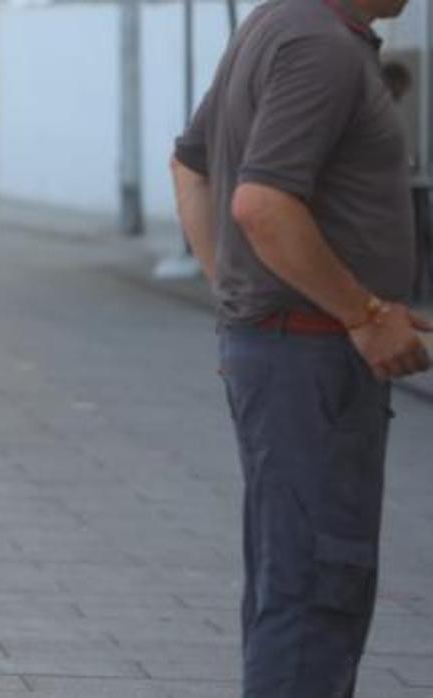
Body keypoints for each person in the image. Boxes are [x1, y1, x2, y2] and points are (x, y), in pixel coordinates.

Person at [171, 0, 432, 694]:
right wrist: (366, 314)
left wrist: (234, 290)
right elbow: (261, 204)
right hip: (310, 356)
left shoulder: (277, 22)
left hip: (291, 349)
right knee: (318, 586)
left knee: (302, 578)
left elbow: (189, 166)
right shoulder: (318, 44)